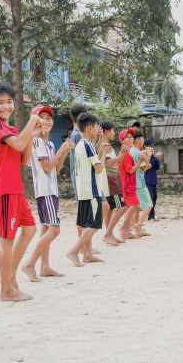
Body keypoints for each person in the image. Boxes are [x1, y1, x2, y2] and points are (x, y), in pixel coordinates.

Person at [0, 82, 42, 302]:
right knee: (7, 239)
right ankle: (6, 289)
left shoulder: (12, 130)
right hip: (4, 190)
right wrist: (31, 122)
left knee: (29, 230)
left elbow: (24, 158)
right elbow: (17, 145)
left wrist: (33, 135)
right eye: (0, 102)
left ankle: (10, 278)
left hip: (15, 189)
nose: (6, 106)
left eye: (9, 102)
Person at [22, 105, 74, 282]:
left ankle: (44, 266)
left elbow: (56, 168)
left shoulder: (49, 143)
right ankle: (29, 264)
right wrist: (61, 150)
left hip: (51, 190)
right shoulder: (36, 142)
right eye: (42, 117)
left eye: (49, 117)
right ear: (35, 121)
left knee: (45, 228)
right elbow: (46, 167)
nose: (47, 120)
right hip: (45, 191)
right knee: (55, 230)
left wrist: (64, 151)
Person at [67, 113, 108, 267]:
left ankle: (88, 254)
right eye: (96, 126)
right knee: (94, 224)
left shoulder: (79, 146)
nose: (97, 129)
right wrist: (103, 154)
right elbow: (98, 169)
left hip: (83, 190)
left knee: (86, 224)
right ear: (90, 127)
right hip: (92, 190)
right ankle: (74, 251)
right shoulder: (87, 145)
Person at [100, 121, 128, 246]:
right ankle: (108, 233)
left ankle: (109, 234)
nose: (113, 133)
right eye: (112, 130)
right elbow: (109, 163)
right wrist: (122, 154)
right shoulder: (104, 145)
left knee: (111, 208)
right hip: (111, 182)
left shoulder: (108, 145)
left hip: (113, 180)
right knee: (123, 205)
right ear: (106, 131)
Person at [118, 128, 147, 239]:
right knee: (133, 205)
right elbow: (130, 170)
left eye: (131, 137)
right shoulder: (126, 153)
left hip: (130, 183)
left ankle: (126, 230)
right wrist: (140, 161)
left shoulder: (128, 152)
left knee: (134, 206)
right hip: (127, 183)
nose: (131, 139)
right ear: (122, 140)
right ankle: (124, 229)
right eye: (128, 137)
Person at [130, 131, 153, 236]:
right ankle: (138, 225)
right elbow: (145, 165)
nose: (143, 141)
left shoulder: (132, 151)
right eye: (142, 139)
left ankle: (137, 229)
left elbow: (142, 168)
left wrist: (146, 164)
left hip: (133, 182)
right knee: (148, 205)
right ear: (138, 140)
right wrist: (149, 155)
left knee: (136, 207)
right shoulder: (138, 152)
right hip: (139, 183)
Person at [69, 103, 86, 237]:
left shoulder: (75, 134)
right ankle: (83, 243)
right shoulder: (78, 135)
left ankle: (84, 243)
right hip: (81, 175)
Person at [144, 139, 163, 220]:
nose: (151, 147)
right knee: (150, 198)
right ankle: (150, 216)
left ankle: (150, 214)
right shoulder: (144, 155)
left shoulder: (153, 157)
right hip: (147, 180)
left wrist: (157, 158)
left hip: (153, 180)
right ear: (145, 146)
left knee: (155, 197)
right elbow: (148, 166)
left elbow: (157, 167)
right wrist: (154, 156)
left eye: (152, 146)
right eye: (149, 146)